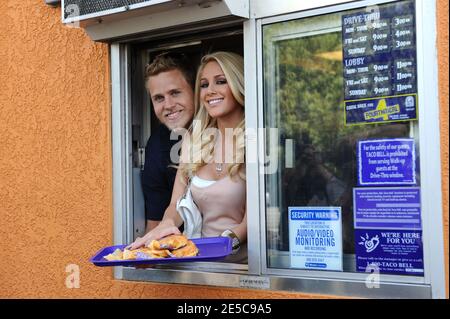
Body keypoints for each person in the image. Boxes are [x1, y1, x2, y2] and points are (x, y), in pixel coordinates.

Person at [128, 51, 247, 255]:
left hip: (244, 267)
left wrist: (224, 244)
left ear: (239, 84)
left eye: (220, 81)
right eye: (204, 85)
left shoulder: (255, 140)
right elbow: (176, 203)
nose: (210, 91)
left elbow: (258, 219)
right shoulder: (195, 139)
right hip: (200, 261)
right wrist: (165, 227)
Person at [141, 52, 196, 232]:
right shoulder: (158, 144)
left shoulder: (223, 130)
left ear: (195, 91)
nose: (168, 104)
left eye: (175, 93)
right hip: (183, 253)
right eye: (159, 98)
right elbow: (155, 222)